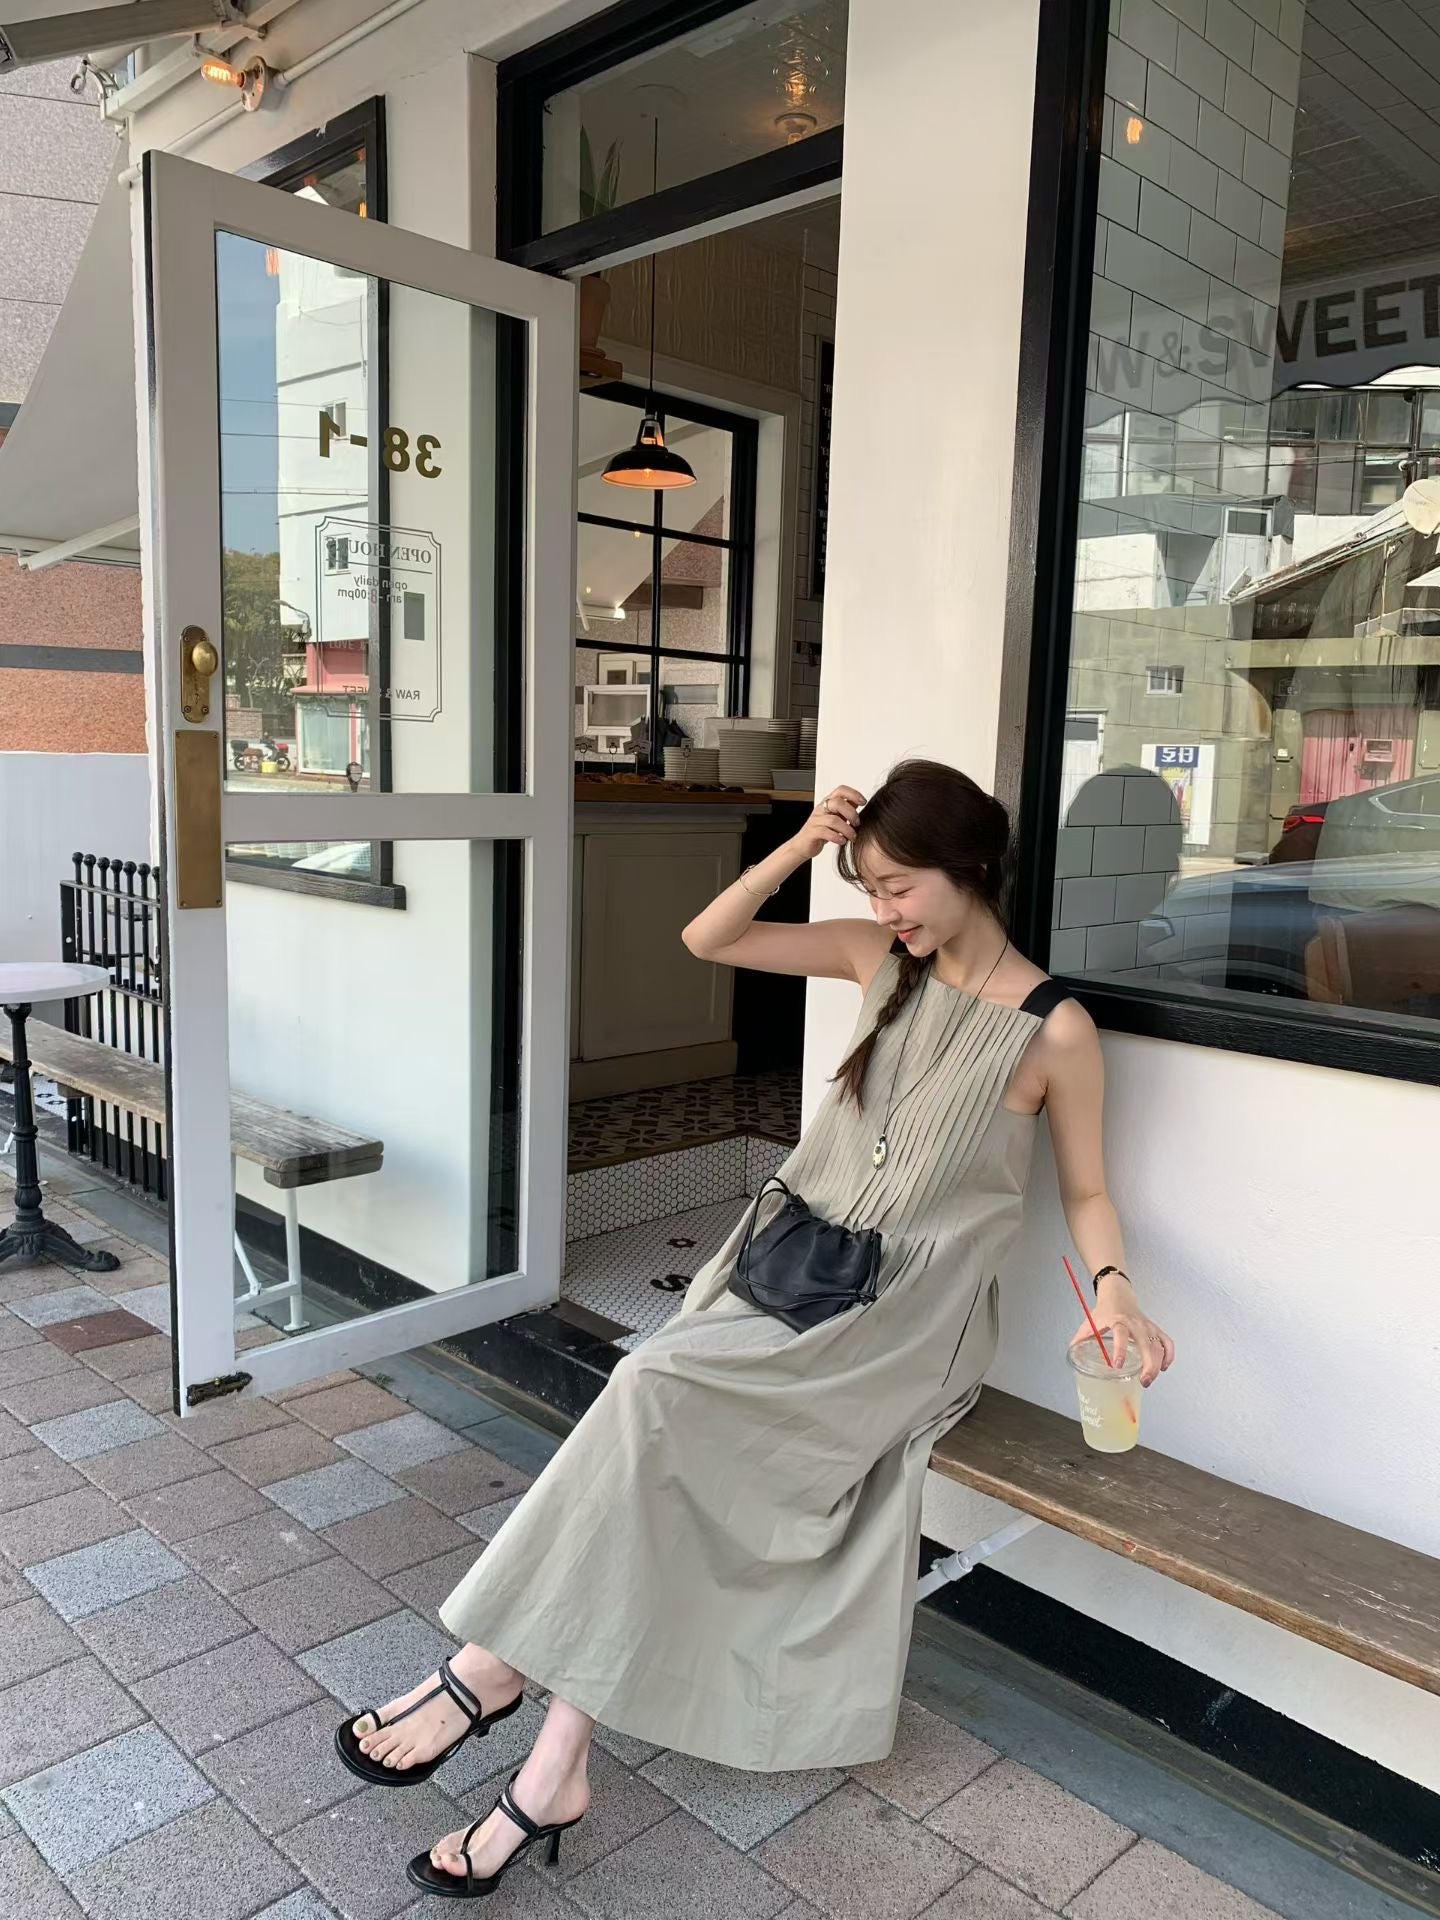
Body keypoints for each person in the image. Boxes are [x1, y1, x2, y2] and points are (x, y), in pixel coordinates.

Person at [335, 758, 1176, 1900]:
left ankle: (492, 1674)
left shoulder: (1053, 1030)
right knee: (660, 1422)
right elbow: (709, 937)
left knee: (655, 1399)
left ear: (971, 866)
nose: (885, 910)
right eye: (870, 889)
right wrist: (800, 844)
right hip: (791, 1268)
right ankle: (549, 1759)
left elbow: (1086, 1190)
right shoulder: (880, 960)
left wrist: (1115, 1287)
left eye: (899, 886)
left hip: (905, 1319)